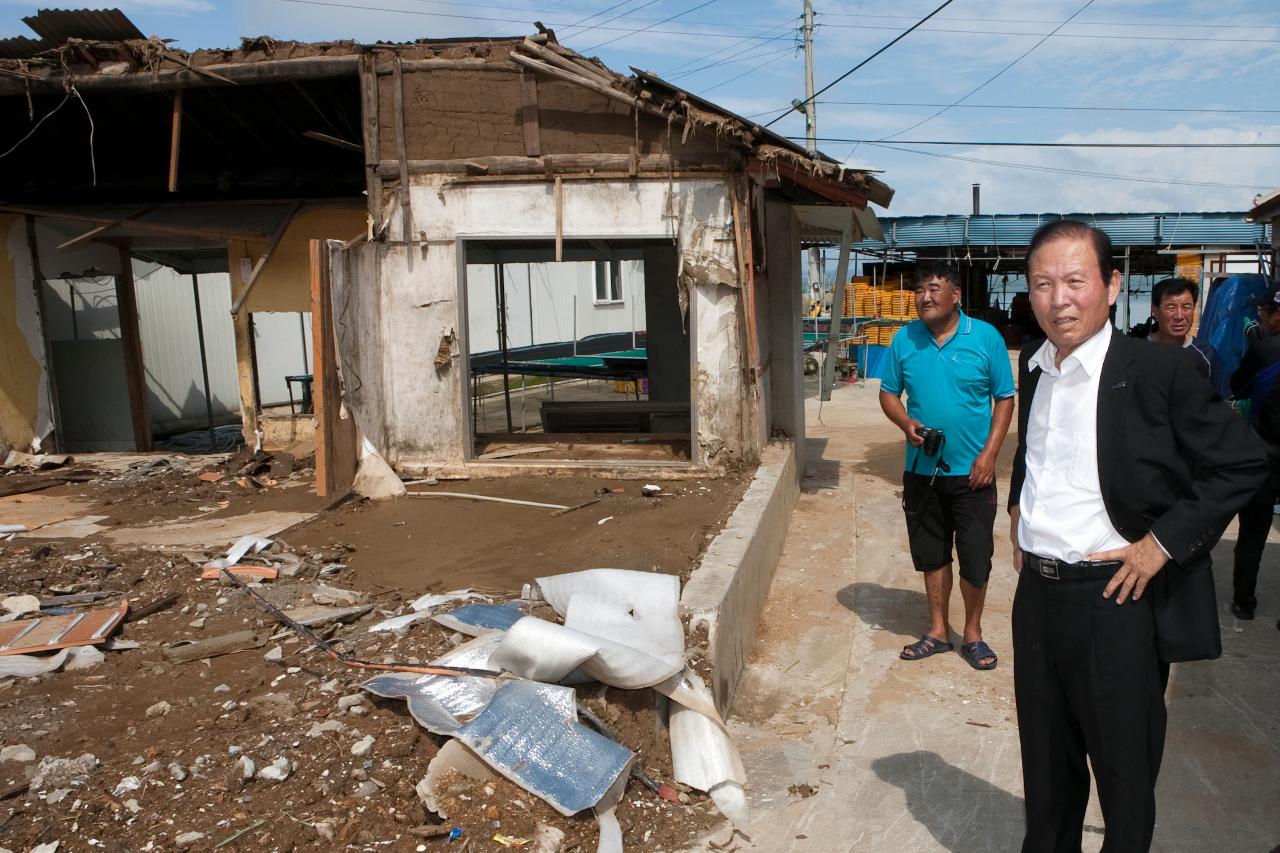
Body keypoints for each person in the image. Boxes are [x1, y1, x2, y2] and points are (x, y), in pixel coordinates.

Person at [1008, 220, 1265, 853]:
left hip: (1115, 598)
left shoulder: (1159, 370)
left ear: (1112, 284)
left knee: (1124, 776)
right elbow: (1039, 452)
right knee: (1045, 768)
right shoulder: (1035, 365)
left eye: (1075, 280)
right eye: (1043, 283)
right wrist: (1019, 511)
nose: (1058, 299)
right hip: (1037, 597)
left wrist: (1162, 544)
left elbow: (1243, 462)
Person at [879, 261, 1015, 670]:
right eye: (919, 290)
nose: (924, 296)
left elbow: (1004, 398)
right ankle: (938, 630)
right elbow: (888, 394)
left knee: (976, 556)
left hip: (973, 475)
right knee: (932, 554)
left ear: (956, 295)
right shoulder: (905, 339)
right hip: (922, 471)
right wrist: (906, 423)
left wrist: (989, 454)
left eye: (934, 288)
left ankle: (972, 634)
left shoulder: (985, 337)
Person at [1228, 279, 1280, 621]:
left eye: (1264, 311)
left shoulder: (1265, 350)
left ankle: (1244, 602)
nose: (1260, 316)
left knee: (1254, 531)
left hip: (1267, 451)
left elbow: (1238, 385)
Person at [1147, 276, 1230, 398]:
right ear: (1155, 310)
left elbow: (1219, 402)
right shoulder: (1138, 352)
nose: (1179, 316)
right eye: (1171, 308)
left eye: (1186, 307)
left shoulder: (1206, 355)